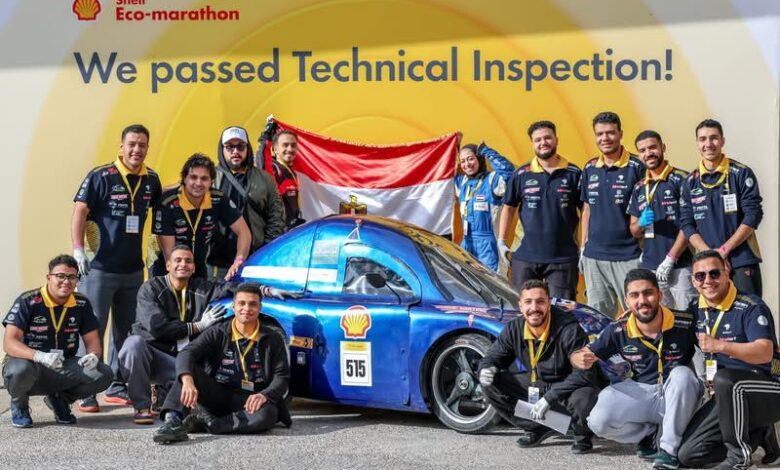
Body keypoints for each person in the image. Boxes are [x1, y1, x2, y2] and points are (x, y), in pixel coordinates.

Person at [571, 269, 702, 470]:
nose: (642, 300)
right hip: (644, 394)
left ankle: (668, 451)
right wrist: (578, 358)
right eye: (634, 295)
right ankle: (649, 434)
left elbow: (711, 351)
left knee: (682, 374)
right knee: (597, 421)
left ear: (659, 294)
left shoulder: (685, 322)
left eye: (648, 293)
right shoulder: (618, 328)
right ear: (627, 301)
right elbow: (583, 353)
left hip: (678, 395)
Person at [72, 123, 162, 412]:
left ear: (147, 148)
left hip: (133, 271)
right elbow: (80, 211)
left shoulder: (152, 179)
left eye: (142, 145)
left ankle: (116, 386)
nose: (137, 150)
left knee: (126, 331)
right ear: (121, 147)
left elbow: (160, 212)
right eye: (132, 144)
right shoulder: (100, 176)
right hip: (98, 269)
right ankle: (86, 389)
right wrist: (77, 250)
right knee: (93, 329)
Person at [676, 250, 780, 470]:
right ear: (693, 281)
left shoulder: (751, 306)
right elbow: (668, 324)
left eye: (714, 273)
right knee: (688, 454)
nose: (708, 281)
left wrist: (720, 346)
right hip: (727, 395)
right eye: (700, 276)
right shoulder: (696, 310)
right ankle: (758, 432)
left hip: (767, 388)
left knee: (726, 380)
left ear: (727, 272)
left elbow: (765, 352)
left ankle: (739, 457)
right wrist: (635, 318)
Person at [478, 279, 606, 454]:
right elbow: (492, 357)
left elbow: (585, 375)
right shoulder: (514, 327)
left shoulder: (569, 328)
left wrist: (549, 398)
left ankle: (581, 434)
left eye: (540, 301)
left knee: (584, 397)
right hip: (538, 383)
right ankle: (538, 427)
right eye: (528, 302)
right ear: (520, 305)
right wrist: (487, 368)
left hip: (569, 385)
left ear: (548, 303)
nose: (534, 308)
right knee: (491, 383)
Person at [153, 282, 292, 443]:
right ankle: (173, 422)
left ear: (260, 307)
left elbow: (281, 377)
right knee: (188, 372)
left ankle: (209, 424)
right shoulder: (218, 331)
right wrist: (188, 381)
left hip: (250, 400)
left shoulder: (273, 338)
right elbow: (187, 353)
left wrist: (264, 395)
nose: (246, 308)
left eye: (252, 304)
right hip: (217, 395)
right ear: (234, 306)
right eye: (241, 303)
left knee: (267, 415)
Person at [119, 245, 233, 424]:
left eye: (188, 261)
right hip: (152, 358)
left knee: (198, 377)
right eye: (178, 260)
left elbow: (233, 288)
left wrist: (266, 290)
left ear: (194, 267)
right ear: (168, 266)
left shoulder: (202, 288)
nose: (183, 264)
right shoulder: (151, 288)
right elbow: (157, 327)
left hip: (181, 361)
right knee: (133, 345)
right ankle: (141, 406)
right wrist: (197, 326)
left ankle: (166, 395)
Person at [2, 255, 113, 427]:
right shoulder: (28, 300)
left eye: (72, 277)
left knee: (103, 373)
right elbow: (9, 343)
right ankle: (20, 405)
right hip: (30, 365)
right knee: (19, 370)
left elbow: (93, 341)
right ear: (49, 277)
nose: (66, 281)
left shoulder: (81, 303)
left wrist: (93, 355)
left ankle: (60, 400)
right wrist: (39, 356)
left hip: (62, 365)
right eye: (60, 276)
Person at [679, 119, 764, 296]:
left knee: (749, 308)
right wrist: (711, 254)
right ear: (697, 143)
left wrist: (724, 250)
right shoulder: (689, 182)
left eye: (714, 138)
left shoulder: (741, 173)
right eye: (703, 139)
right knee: (714, 312)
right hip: (707, 265)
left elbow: (753, 215)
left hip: (741, 260)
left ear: (722, 141)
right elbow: (687, 224)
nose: (708, 144)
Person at [498, 121, 582, 299]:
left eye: (547, 138)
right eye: (538, 140)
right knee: (525, 308)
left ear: (556, 139)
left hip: (563, 258)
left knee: (562, 309)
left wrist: (584, 245)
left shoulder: (574, 173)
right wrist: (501, 240)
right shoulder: (521, 174)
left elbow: (587, 211)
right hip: (525, 257)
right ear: (532, 143)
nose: (543, 143)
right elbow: (508, 207)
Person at [579, 111, 645, 318]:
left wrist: (644, 249)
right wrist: (583, 246)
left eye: (610, 133)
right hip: (594, 258)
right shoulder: (590, 167)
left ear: (620, 134)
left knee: (635, 316)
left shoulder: (637, 167)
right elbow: (587, 208)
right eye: (600, 134)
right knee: (598, 319)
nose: (605, 138)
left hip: (629, 256)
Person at [151, 153, 251, 279]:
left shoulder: (218, 199)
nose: (198, 183)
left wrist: (239, 260)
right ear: (184, 179)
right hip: (168, 269)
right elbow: (169, 255)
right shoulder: (167, 202)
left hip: (198, 269)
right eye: (193, 177)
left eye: (204, 179)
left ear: (211, 181)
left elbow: (244, 232)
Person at [627, 131, 696, 310]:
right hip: (650, 267)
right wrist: (640, 223)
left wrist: (670, 259)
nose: (648, 153)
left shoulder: (682, 179)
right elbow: (633, 231)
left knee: (688, 316)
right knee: (661, 318)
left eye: (652, 147)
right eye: (642, 150)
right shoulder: (639, 187)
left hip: (681, 265)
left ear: (663, 147)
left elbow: (689, 224)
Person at [207, 126, 285, 280]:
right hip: (216, 264)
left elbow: (276, 217)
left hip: (254, 261)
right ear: (222, 149)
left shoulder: (264, 179)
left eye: (240, 146)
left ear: (247, 148)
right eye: (230, 147)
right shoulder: (209, 178)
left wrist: (265, 252)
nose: (235, 151)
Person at [455, 142, 514, 272]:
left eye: (471, 159)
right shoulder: (462, 182)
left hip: (490, 247)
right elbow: (443, 169)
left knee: (494, 282)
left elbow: (509, 172)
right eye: (463, 161)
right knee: (466, 281)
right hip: (467, 244)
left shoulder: (493, 180)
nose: (467, 164)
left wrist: (486, 151)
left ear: (479, 158)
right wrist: (453, 147)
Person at [270, 130, 306, 230]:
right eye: (285, 145)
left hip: (290, 230)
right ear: (275, 149)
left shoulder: (290, 171)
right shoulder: (274, 168)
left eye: (293, 145)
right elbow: (263, 164)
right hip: (277, 233)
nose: (290, 149)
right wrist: (265, 140)